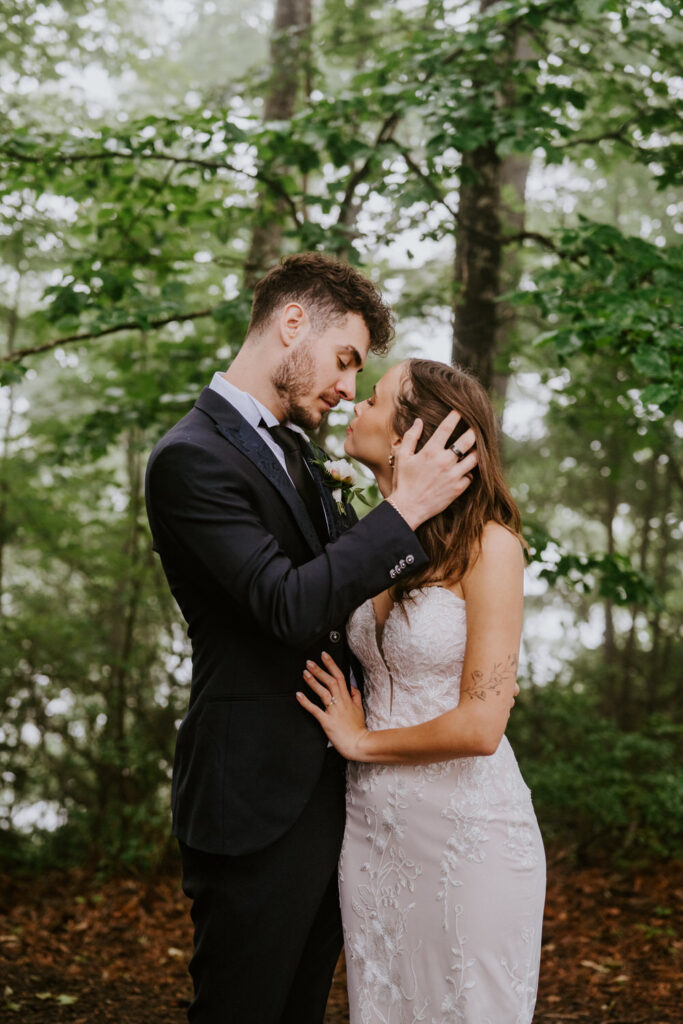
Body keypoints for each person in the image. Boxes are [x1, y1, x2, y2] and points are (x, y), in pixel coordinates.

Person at [144, 255, 478, 1024]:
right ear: (292, 323)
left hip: (339, 793)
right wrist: (405, 509)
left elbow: (348, 595)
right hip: (252, 795)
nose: (347, 387)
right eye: (344, 359)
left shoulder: (295, 447)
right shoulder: (191, 459)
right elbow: (289, 605)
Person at [298, 358, 546, 1024]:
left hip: (469, 836)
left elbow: (480, 727)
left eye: (373, 400)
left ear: (417, 433)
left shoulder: (490, 547)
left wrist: (358, 740)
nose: (355, 404)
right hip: (374, 834)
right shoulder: (370, 544)